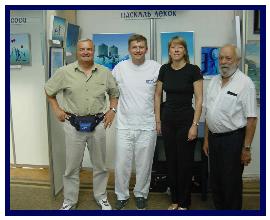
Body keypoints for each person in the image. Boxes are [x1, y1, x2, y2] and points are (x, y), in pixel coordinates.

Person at [44, 39, 119, 210]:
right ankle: (70, 201)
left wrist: (112, 111)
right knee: (71, 167)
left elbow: (115, 94)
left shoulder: (105, 72)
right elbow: (48, 90)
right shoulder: (64, 72)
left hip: (98, 124)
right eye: (82, 49)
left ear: (93, 51)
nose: (86, 52)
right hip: (73, 125)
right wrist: (56, 109)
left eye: (89, 49)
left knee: (99, 165)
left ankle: (101, 197)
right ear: (77, 51)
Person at [203, 44, 257, 210]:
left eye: (228, 58)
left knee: (231, 184)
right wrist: (206, 139)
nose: (223, 62)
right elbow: (208, 113)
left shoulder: (245, 83)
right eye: (221, 58)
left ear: (237, 60)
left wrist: (246, 148)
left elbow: (252, 118)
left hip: (232, 141)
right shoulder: (213, 81)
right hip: (213, 139)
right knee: (216, 182)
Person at [112, 34, 161, 210]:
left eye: (141, 47)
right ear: (129, 49)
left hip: (147, 126)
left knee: (144, 164)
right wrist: (111, 112)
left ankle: (141, 194)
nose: (138, 50)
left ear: (146, 49)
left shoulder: (156, 68)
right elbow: (112, 92)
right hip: (124, 125)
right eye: (134, 47)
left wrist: (158, 121)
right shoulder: (119, 68)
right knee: (121, 164)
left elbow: (158, 96)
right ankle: (121, 195)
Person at [154, 36, 203, 210]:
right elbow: (158, 95)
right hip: (167, 121)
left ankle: (184, 202)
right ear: (169, 51)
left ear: (184, 51)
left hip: (186, 121)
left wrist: (194, 125)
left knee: (185, 163)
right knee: (171, 162)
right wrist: (158, 120)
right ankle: (175, 200)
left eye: (179, 47)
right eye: (173, 47)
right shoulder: (164, 69)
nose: (176, 50)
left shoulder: (193, 70)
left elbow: (199, 99)